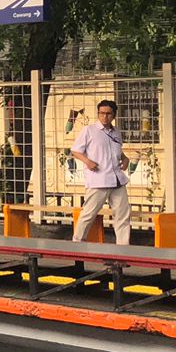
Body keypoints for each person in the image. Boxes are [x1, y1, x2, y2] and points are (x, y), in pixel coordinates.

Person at [71, 98, 132, 245]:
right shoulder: (89, 130)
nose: (105, 117)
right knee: (88, 214)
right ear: (98, 114)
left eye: (108, 114)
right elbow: (75, 150)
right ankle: (76, 243)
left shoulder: (116, 131)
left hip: (117, 179)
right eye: (102, 113)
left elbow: (116, 150)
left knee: (123, 215)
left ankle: (123, 248)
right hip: (99, 179)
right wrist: (87, 161)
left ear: (114, 115)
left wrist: (125, 158)